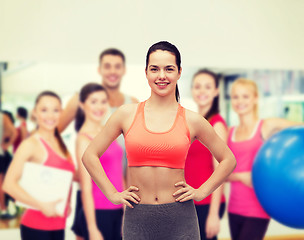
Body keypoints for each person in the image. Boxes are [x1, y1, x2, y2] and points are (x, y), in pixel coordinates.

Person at [82, 41, 236, 240]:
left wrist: (201, 192)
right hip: (138, 219)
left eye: (169, 69)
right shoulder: (126, 114)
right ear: (146, 72)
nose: (161, 76)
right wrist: (112, 194)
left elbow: (228, 159)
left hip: (181, 219)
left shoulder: (193, 120)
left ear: (179, 72)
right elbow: (89, 155)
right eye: (154, 69)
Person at [227, 78, 303, 240]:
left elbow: (300, 127)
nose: (240, 101)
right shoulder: (229, 132)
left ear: (255, 98)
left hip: (258, 208)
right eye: (236, 97)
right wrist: (241, 176)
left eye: (245, 96)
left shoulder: (267, 125)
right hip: (234, 208)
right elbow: (220, 173)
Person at [3, 91, 75, 240]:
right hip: (36, 226)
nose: (50, 115)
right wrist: (42, 205)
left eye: (55, 110)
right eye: (44, 110)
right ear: (35, 113)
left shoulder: (60, 144)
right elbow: (8, 184)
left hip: (58, 224)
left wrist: (67, 202)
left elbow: (65, 177)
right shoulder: (30, 144)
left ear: (61, 112)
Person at [74, 83, 123, 240]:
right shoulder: (83, 139)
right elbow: (86, 188)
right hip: (99, 212)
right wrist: (92, 228)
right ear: (82, 105)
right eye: (93, 101)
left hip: (119, 210)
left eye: (103, 101)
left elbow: (118, 173)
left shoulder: (107, 132)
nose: (99, 107)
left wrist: (127, 210)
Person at [185, 69, 227, 240]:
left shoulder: (216, 125)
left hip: (207, 203)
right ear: (192, 90)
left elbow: (221, 170)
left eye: (207, 87)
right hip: (189, 202)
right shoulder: (193, 121)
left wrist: (213, 214)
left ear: (216, 91)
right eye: (198, 86)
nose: (202, 91)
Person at [0, 111, 17, 218]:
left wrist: (6, 145)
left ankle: (4, 209)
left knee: (2, 183)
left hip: (1, 155)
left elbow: (14, 132)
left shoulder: (3, 116)